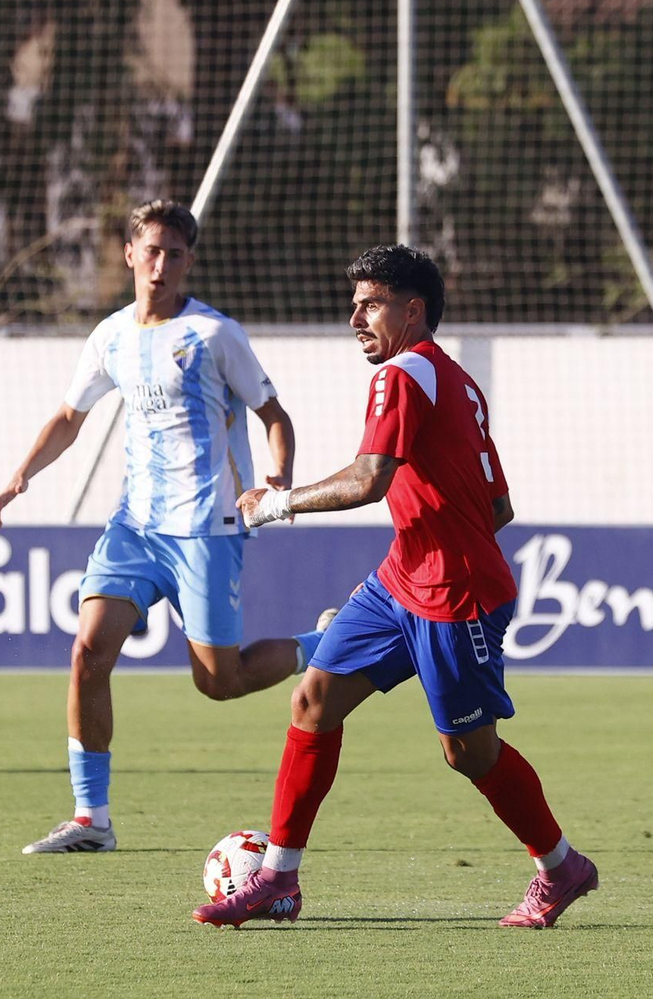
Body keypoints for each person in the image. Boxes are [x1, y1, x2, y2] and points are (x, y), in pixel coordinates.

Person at [193, 244, 598, 929]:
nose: (356, 318)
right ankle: (278, 880)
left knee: (468, 752)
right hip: (401, 581)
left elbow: (368, 478)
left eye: (371, 304)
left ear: (413, 310)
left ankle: (562, 867)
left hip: (455, 596)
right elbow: (498, 507)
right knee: (313, 700)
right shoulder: (459, 382)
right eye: (355, 304)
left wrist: (276, 503)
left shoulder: (401, 375)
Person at [0, 200, 327, 854]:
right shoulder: (111, 336)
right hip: (135, 526)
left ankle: (321, 643)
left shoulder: (215, 334)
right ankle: (92, 818)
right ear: (130, 255)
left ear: (189, 262)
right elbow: (70, 415)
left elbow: (273, 414)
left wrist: (278, 480)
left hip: (207, 528)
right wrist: (22, 473)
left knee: (218, 682)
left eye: (175, 253)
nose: (161, 264)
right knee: (88, 651)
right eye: (151, 251)